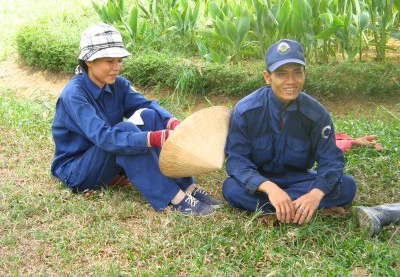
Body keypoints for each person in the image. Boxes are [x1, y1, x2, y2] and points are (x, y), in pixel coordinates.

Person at [51, 23, 223, 216]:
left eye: (119, 60)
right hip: (78, 170)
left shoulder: (118, 84)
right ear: (89, 61)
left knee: (150, 116)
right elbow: (104, 138)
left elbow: (148, 106)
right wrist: (153, 138)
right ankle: (175, 198)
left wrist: (172, 123)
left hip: (107, 157)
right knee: (126, 131)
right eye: (110, 61)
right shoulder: (74, 94)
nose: (117, 67)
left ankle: (187, 187)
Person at [222, 39, 357, 224]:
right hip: (262, 182)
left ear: (304, 74)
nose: (291, 81)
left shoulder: (316, 114)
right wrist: (271, 189)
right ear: (267, 77)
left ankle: (284, 211)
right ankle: (303, 211)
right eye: (281, 74)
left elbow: (331, 161)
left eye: (297, 73)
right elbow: (237, 161)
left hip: (300, 179)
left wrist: (316, 194)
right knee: (231, 189)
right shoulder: (245, 111)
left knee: (347, 186)